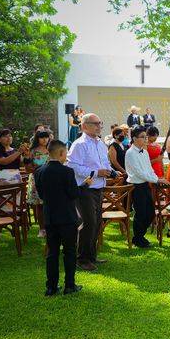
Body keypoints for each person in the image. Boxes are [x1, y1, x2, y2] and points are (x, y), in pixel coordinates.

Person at [35, 140, 91, 296]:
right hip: (67, 217)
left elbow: (41, 195)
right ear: (60, 153)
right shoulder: (67, 172)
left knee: (52, 252)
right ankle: (69, 285)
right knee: (69, 251)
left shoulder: (39, 171)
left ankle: (51, 287)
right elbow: (74, 194)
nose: (66, 155)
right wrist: (85, 185)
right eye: (66, 152)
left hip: (50, 217)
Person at [66, 113, 115, 272]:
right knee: (88, 223)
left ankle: (91, 255)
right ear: (85, 126)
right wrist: (95, 172)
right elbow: (72, 166)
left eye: (100, 123)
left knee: (97, 222)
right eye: (96, 123)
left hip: (98, 188)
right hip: (85, 189)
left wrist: (111, 172)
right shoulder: (79, 144)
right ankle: (82, 259)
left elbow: (105, 163)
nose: (100, 126)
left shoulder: (100, 143)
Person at [125, 126, 169, 248]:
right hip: (135, 186)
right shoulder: (130, 153)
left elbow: (148, 169)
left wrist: (157, 179)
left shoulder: (144, 152)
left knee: (150, 213)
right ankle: (138, 238)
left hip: (145, 185)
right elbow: (139, 172)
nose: (145, 139)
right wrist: (156, 180)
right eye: (143, 137)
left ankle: (139, 236)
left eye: (146, 136)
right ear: (134, 139)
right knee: (140, 214)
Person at [27, 130, 52, 238]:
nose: (44, 140)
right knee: (40, 205)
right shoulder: (32, 151)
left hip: (51, 180)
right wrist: (40, 170)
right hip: (37, 179)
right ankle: (42, 229)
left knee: (51, 204)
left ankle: (52, 227)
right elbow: (27, 168)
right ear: (37, 138)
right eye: (42, 137)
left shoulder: (52, 150)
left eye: (46, 137)